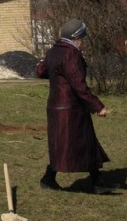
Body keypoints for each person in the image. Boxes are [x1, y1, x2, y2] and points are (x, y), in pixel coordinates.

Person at [36, 19, 112, 194]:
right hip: (71, 109)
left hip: (56, 107)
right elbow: (78, 84)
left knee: (72, 145)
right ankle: (49, 179)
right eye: (82, 37)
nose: (83, 40)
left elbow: (40, 72)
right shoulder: (71, 54)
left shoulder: (53, 51)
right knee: (77, 145)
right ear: (76, 37)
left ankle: (97, 183)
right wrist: (97, 106)